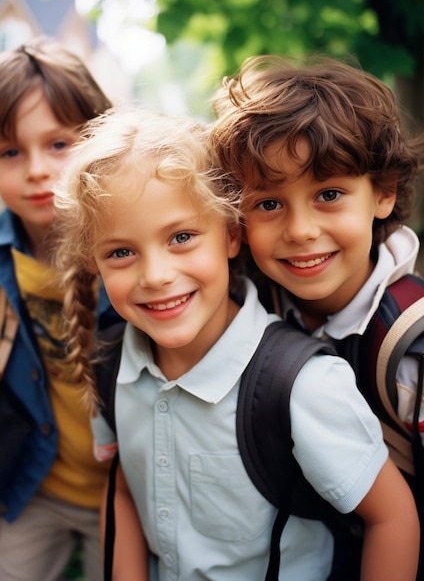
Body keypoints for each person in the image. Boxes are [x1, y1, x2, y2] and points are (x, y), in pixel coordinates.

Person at [53, 106, 419, 581]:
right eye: (121, 252)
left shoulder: (303, 384)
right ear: (92, 260)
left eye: (181, 237)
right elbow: (124, 485)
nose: (157, 276)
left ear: (231, 234)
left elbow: (391, 516)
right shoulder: (110, 362)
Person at [210, 54, 424, 573]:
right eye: (268, 204)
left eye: (329, 194)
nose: (301, 229)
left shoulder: (409, 342)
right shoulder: (251, 303)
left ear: (384, 193)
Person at [0, 37, 121, 581]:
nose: (36, 171)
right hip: (34, 484)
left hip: (127, 492)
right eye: (10, 152)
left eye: (58, 144)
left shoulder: (135, 251)